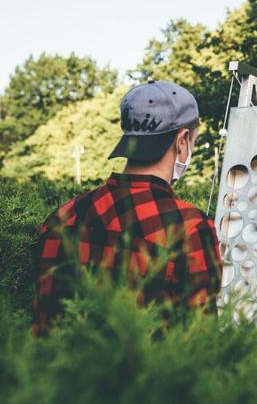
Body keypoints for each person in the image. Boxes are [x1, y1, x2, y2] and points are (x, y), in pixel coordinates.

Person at [33, 80, 223, 335]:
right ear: (182, 141)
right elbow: (201, 341)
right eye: (194, 140)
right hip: (148, 373)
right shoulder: (190, 227)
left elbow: (43, 325)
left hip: (62, 372)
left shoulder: (63, 217)